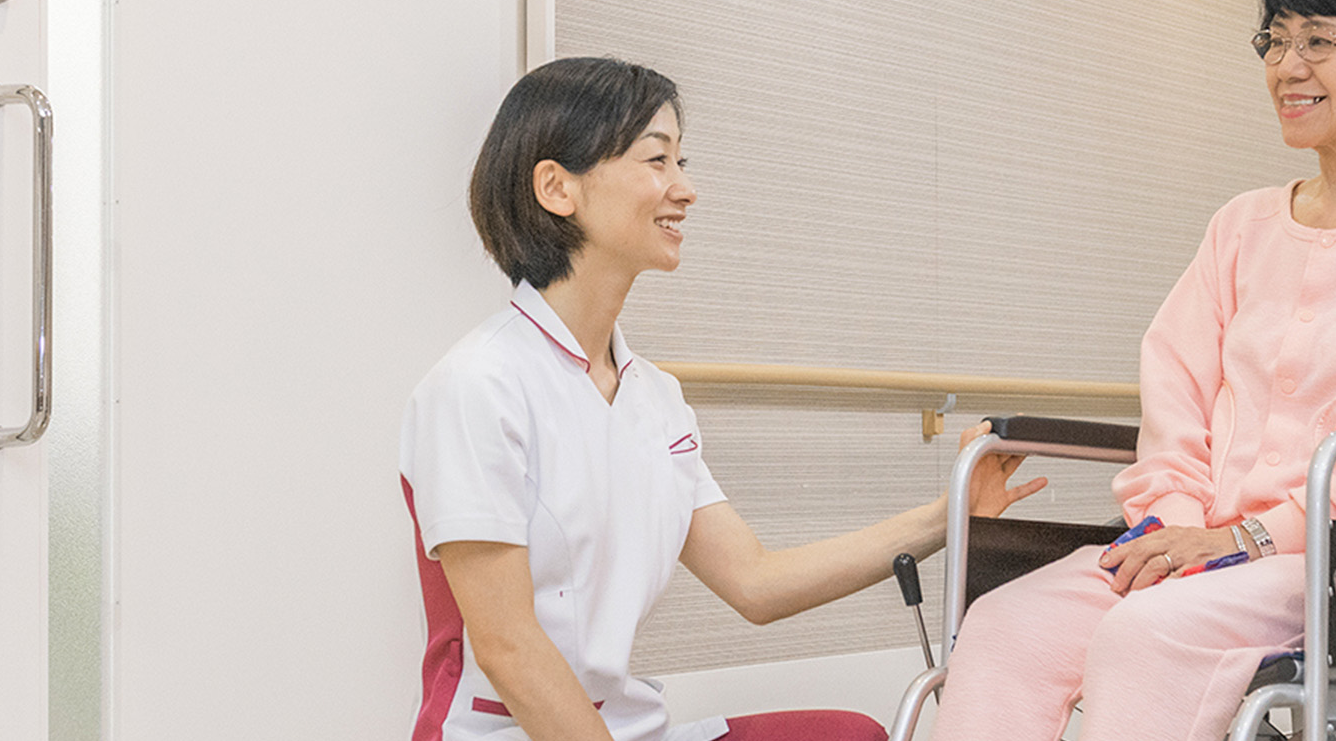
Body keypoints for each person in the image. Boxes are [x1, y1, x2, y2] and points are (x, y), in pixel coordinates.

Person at [930, 0, 1336, 741]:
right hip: (1198, 544)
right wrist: (1178, 523)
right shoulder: (1243, 227)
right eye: (1275, 40)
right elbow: (1175, 393)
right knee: (1010, 627)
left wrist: (1244, 537)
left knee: (1149, 636)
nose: (1287, 67)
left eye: (1318, 40)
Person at [401, 57, 1047, 741]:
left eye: (681, 162)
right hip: (506, 735)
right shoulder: (478, 385)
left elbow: (755, 582)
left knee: (847, 734)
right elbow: (508, 649)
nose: (686, 190)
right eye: (657, 160)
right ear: (558, 187)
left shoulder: (654, 397)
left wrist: (948, 513)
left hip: (627, 728)